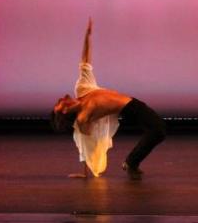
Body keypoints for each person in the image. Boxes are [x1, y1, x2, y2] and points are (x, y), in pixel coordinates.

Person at [51, 18, 166, 179]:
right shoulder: (84, 117)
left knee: (157, 130)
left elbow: (84, 61)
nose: (61, 99)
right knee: (158, 129)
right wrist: (85, 171)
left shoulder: (83, 88)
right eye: (59, 104)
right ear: (64, 110)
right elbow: (86, 144)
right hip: (128, 110)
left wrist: (87, 35)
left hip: (132, 103)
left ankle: (131, 162)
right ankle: (131, 163)